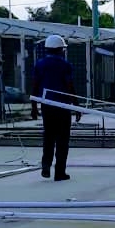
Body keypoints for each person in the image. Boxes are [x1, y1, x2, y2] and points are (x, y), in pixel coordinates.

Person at [33, 35, 76, 181]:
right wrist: (76, 104)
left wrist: (34, 107)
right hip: (62, 106)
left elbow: (35, 85)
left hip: (46, 105)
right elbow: (69, 85)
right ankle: (60, 172)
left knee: (49, 136)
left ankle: (46, 165)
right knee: (62, 140)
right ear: (60, 50)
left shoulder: (40, 64)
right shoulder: (65, 65)